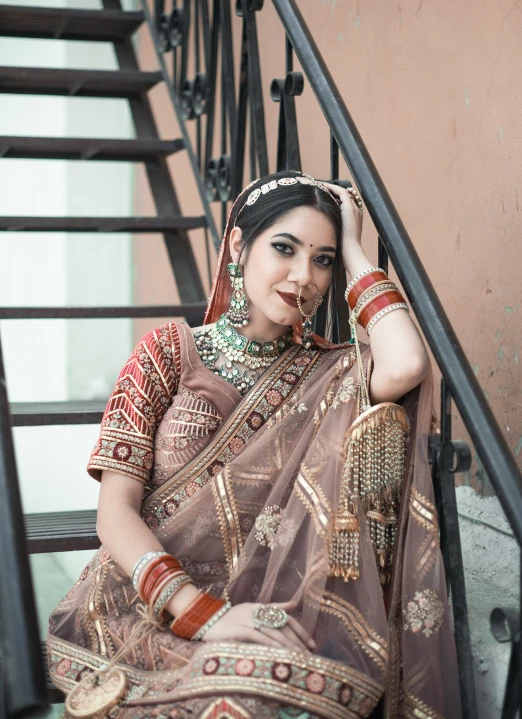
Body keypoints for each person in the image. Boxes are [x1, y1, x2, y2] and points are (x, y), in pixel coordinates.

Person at [47, 172, 462, 719]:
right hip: (144, 605)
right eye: (284, 249)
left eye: (323, 260)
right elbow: (114, 513)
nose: (304, 276)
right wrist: (204, 616)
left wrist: (357, 250)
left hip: (270, 613)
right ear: (239, 246)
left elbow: (408, 363)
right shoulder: (166, 354)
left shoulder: (333, 372)